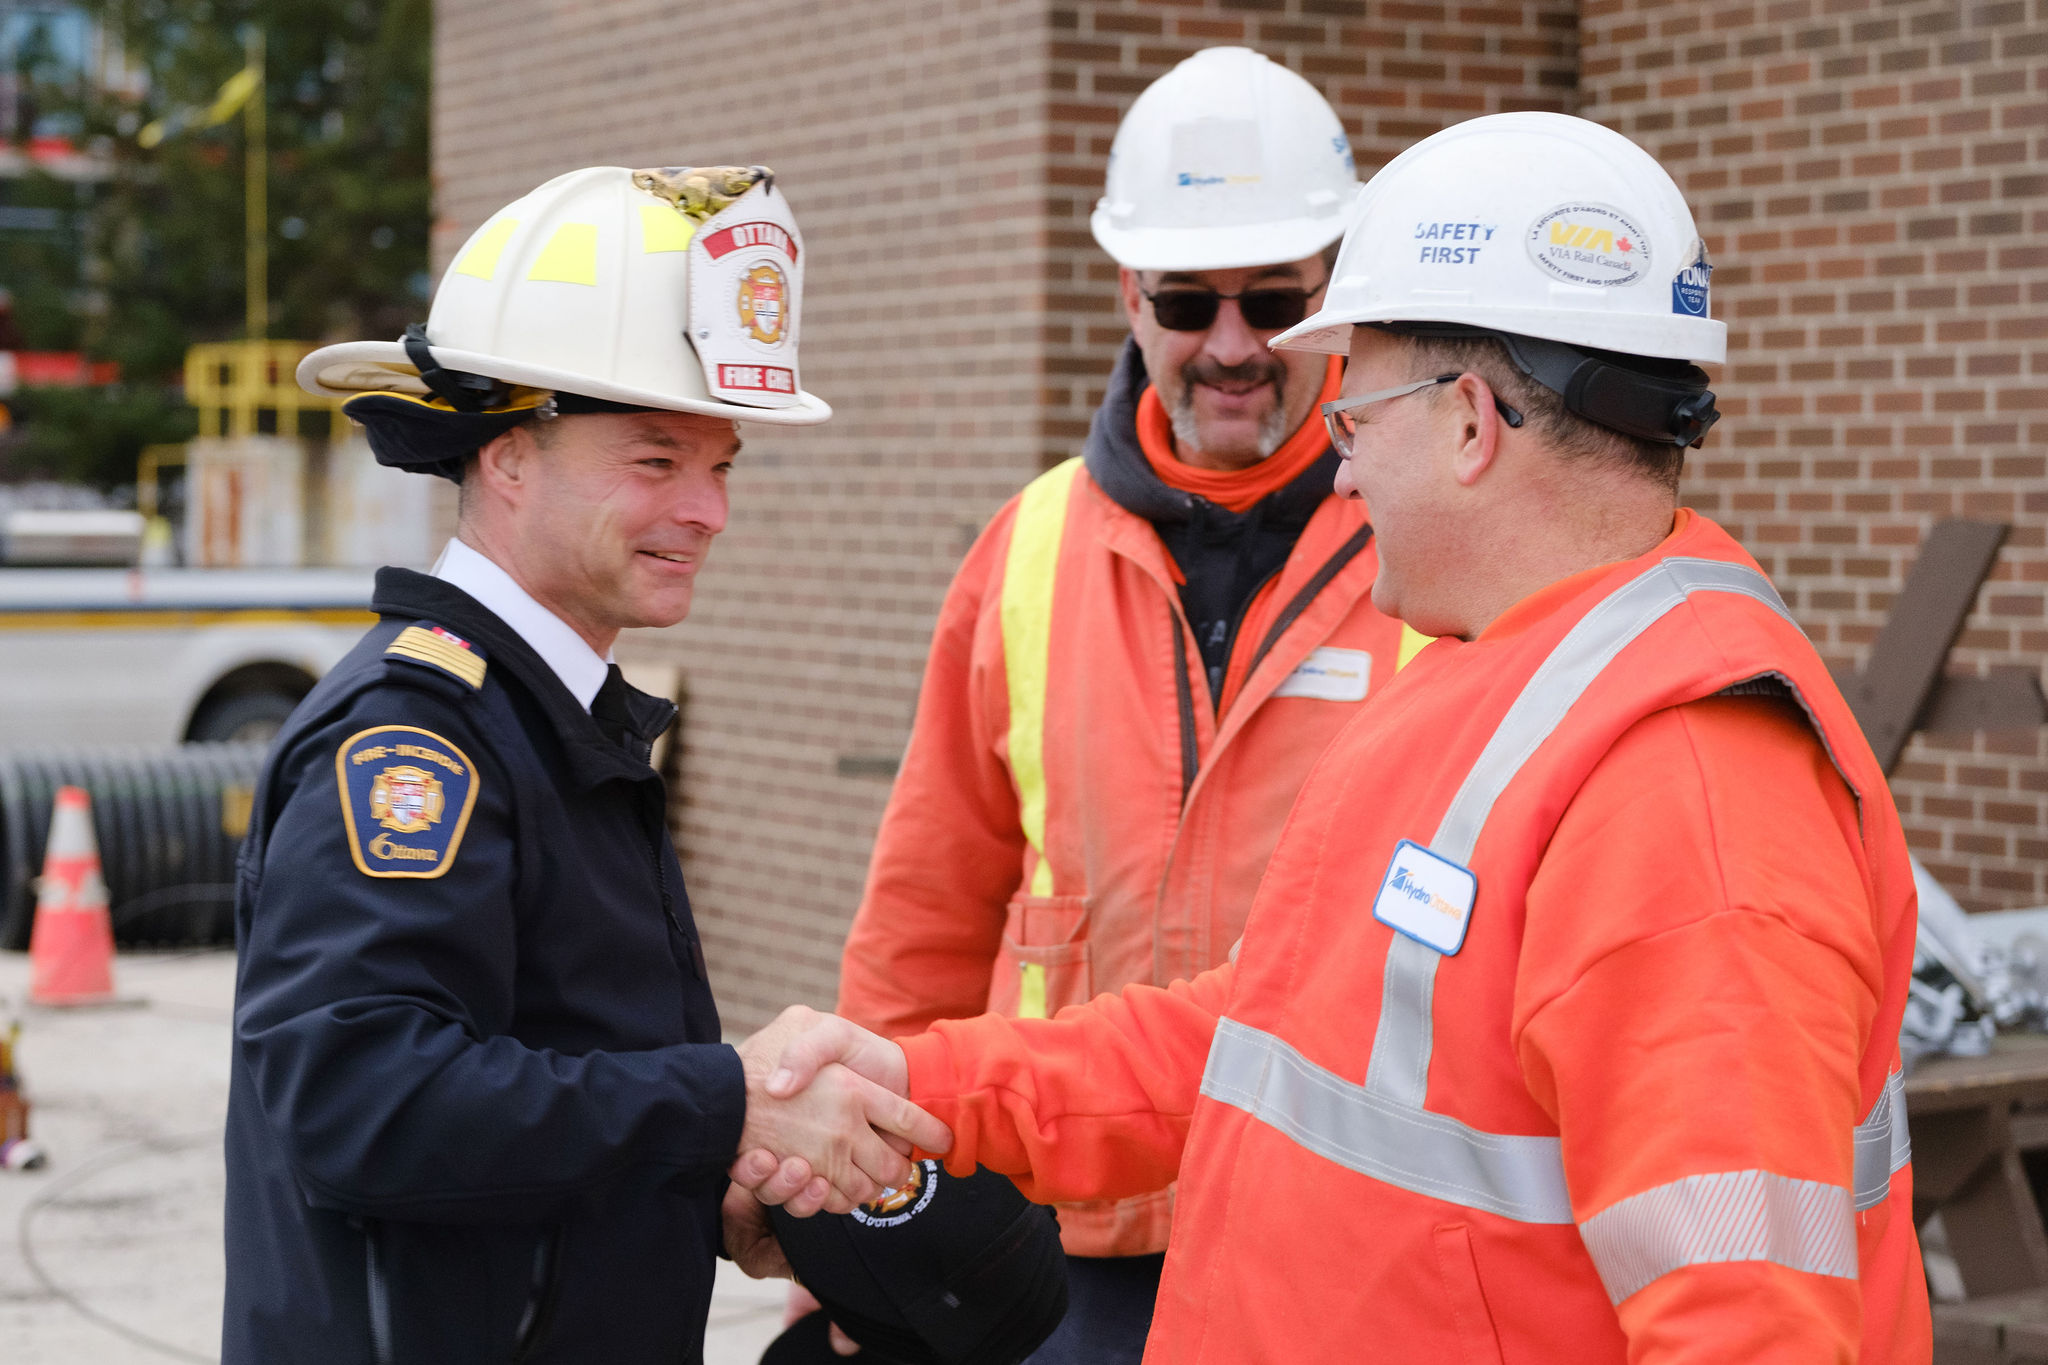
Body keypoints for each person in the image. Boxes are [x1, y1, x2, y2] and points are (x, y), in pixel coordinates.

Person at [739, 112, 1932, 1362]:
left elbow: (1748, 1326)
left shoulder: (1685, 793)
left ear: (1469, 424)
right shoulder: (1491, 679)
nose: (1342, 483)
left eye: (1352, 428)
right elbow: (1250, 1035)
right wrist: (914, 1085)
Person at [223, 164, 944, 1365]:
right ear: (506, 458)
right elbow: (359, 1103)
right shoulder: (419, 739)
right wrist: (723, 1101)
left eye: (720, 465)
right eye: (656, 462)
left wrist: (697, 1177)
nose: (708, 510)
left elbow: (543, 1087)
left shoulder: (542, 715)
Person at [816, 47, 1412, 1361]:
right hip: (1057, 1233)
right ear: (1129, 294)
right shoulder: (1026, 549)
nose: (1235, 345)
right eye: (1192, 301)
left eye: (1273, 300)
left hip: (1320, 1226)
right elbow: (927, 904)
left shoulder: (1426, 549)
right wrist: (854, 1212)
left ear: (1335, 295)